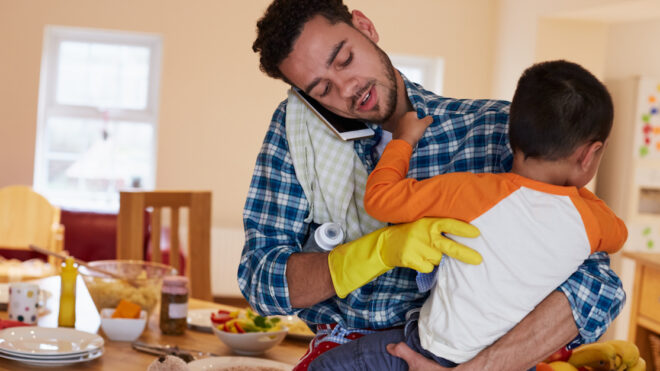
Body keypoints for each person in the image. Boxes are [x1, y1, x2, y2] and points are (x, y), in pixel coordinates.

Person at [239, 1, 626, 369]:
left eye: (345, 59)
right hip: (350, 351)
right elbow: (261, 281)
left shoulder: (493, 131)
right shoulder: (299, 135)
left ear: (365, 27)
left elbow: (596, 286)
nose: (347, 88)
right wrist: (373, 253)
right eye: (322, 89)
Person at [309, 60, 628, 370]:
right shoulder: (592, 222)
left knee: (323, 366)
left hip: (431, 350)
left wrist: (404, 140)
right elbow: (619, 235)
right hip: (513, 363)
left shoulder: (471, 193)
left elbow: (380, 200)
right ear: (589, 154)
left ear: (511, 132)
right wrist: (573, 193)